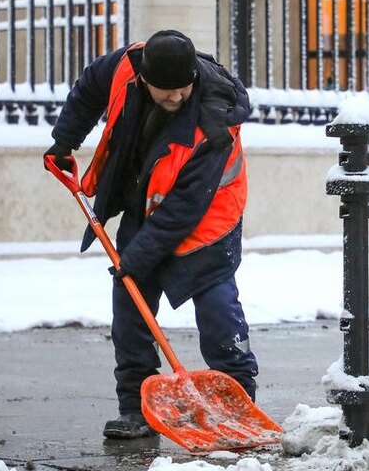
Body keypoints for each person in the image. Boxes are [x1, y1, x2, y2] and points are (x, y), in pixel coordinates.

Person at [44, 30, 255, 439]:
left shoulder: (215, 123)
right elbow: (89, 88)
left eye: (184, 88)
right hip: (147, 202)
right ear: (144, 78)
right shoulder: (126, 66)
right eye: (166, 90)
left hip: (209, 220)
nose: (177, 96)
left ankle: (239, 403)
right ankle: (136, 409)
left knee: (217, 310)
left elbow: (183, 210)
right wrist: (64, 141)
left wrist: (136, 258)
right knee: (130, 305)